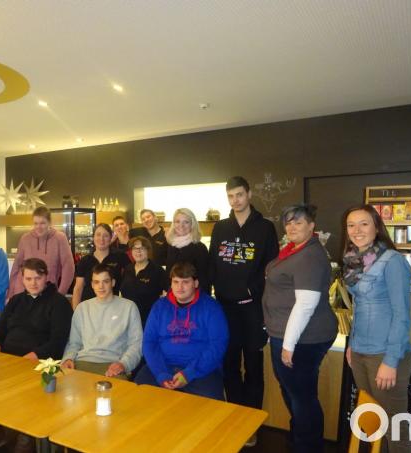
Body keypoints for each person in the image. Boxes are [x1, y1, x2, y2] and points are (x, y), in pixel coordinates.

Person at [208, 176, 279, 447]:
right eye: (230, 196)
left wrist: (253, 290)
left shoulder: (265, 227)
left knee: (253, 366)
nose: (235, 200)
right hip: (225, 307)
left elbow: (271, 266)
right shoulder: (221, 227)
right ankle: (234, 417)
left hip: (252, 309)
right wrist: (215, 289)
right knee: (229, 365)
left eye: (239, 194)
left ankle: (251, 425)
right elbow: (214, 261)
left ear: (248, 194)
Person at [0, 258, 73, 453]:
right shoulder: (16, 300)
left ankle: (25, 435)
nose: (33, 283)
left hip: (39, 361)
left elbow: (59, 341)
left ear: (47, 277)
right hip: (6, 359)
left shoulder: (59, 302)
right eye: (28, 278)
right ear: (22, 279)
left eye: (38, 278)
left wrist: (35, 355)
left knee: (27, 395)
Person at [262, 205, 337, 453]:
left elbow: (305, 305)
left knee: (302, 397)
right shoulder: (293, 250)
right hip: (286, 333)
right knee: (293, 392)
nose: (292, 227)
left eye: (298, 222)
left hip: (303, 339)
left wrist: (288, 345)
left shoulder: (310, 256)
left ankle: (308, 446)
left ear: (311, 226)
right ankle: (299, 438)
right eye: (288, 223)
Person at [342, 204, 411, 453]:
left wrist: (391, 361)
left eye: (364, 223)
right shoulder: (354, 261)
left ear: (376, 226)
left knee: (396, 430)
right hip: (360, 351)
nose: (357, 230)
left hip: (385, 354)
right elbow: (359, 308)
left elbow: (402, 315)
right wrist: (352, 344)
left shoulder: (392, 261)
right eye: (351, 225)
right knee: (374, 425)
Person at [134, 262, 229, 400]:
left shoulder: (211, 307)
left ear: (195, 283)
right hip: (163, 366)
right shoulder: (160, 306)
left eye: (185, 282)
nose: (180, 287)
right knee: (137, 395)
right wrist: (161, 373)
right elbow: (149, 343)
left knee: (212, 410)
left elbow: (218, 345)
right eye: (176, 282)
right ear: (171, 284)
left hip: (200, 370)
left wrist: (189, 373)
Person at [62, 263, 143, 379]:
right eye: (96, 282)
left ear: (113, 283)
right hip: (82, 363)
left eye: (105, 281)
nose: (101, 286)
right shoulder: (82, 308)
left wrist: (124, 364)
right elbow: (74, 343)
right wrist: (68, 359)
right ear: (92, 285)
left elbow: (136, 345)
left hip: (113, 365)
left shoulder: (129, 307)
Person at [7, 206, 75, 299]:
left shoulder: (60, 238)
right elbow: (16, 267)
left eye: (42, 223)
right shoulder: (25, 238)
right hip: (23, 292)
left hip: (48, 293)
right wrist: (10, 295)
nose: (38, 227)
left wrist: (60, 294)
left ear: (49, 223)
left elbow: (69, 268)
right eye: (36, 223)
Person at [71, 223, 130, 309]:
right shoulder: (85, 260)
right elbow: (78, 288)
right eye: (98, 235)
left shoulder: (120, 256)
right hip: (89, 307)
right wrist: (76, 311)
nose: (101, 239)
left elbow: (128, 281)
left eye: (105, 235)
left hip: (113, 307)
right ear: (93, 237)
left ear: (111, 238)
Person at [119, 236, 168, 326]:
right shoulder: (128, 269)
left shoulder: (157, 270)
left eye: (142, 248)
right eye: (135, 248)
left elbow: (168, 293)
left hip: (149, 320)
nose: (138, 251)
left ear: (148, 251)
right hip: (127, 318)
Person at [165, 208, 210, 294]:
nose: (181, 225)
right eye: (177, 222)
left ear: (192, 225)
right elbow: (169, 275)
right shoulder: (171, 246)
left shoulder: (199, 248)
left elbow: (204, 280)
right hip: (174, 296)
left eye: (186, 222)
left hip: (194, 298)